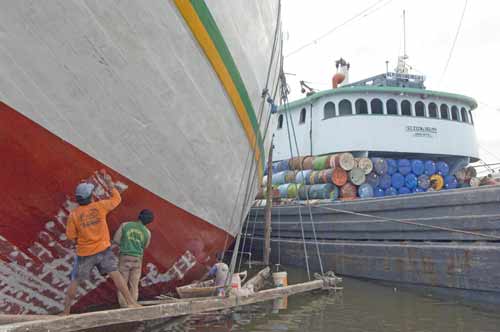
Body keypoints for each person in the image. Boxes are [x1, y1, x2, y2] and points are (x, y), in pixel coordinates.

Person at [62, 173, 140, 315]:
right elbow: (117, 199)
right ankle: (131, 303)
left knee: (75, 281)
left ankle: (66, 312)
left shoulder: (74, 215)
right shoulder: (100, 207)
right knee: (116, 275)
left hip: (85, 253)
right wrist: (110, 184)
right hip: (103, 250)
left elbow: (70, 236)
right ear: (91, 196)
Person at [112, 209, 153, 307]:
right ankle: (133, 305)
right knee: (134, 285)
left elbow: (116, 240)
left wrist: (126, 244)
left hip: (125, 257)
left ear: (139, 216)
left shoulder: (125, 225)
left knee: (123, 283)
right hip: (137, 259)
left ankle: (124, 306)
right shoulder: (147, 232)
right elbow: (145, 246)